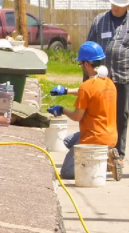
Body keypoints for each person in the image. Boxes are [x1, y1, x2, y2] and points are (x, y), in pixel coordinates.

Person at [59, 0, 129, 166]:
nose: (115, 7)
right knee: (96, 115)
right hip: (101, 79)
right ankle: (95, 149)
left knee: (121, 115)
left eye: (119, 5)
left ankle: (117, 156)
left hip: (125, 76)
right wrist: (87, 78)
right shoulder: (100, 20)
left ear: (128, 5)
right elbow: (89, 45)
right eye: (113, 3)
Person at [48, 41, 117, 181]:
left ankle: (106, 164)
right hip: (110, 135)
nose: (81, 67)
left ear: (86, 64)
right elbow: (89, 93)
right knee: (68, 140)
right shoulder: (109, 82)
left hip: (93, 138)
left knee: (66, 172)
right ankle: (105, 153)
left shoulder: (87, 86)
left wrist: (62, 110)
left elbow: (77, 117)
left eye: (80, 64)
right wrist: (66, 91)